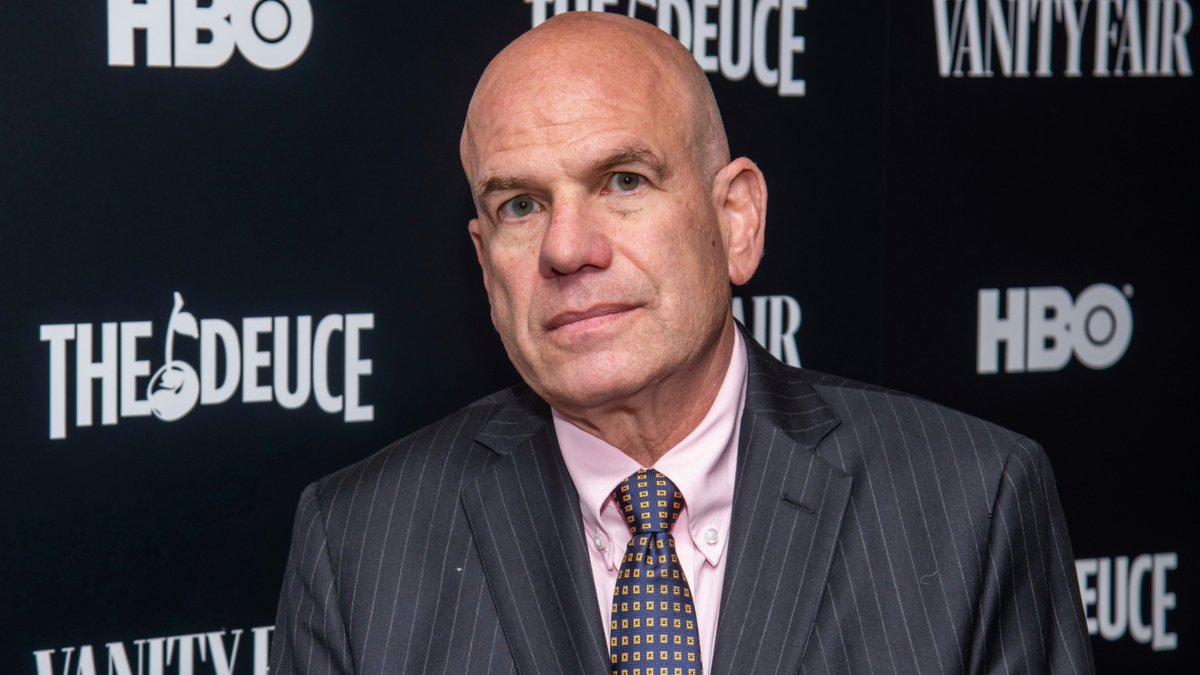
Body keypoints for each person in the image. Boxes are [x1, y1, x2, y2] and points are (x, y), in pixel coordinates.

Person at [270, 11, 1094, 675]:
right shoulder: (358, 548)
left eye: (623, 181)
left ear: (737, 221)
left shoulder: (970, 503)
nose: (567, 248)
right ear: (487, 267)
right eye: (520, 204)